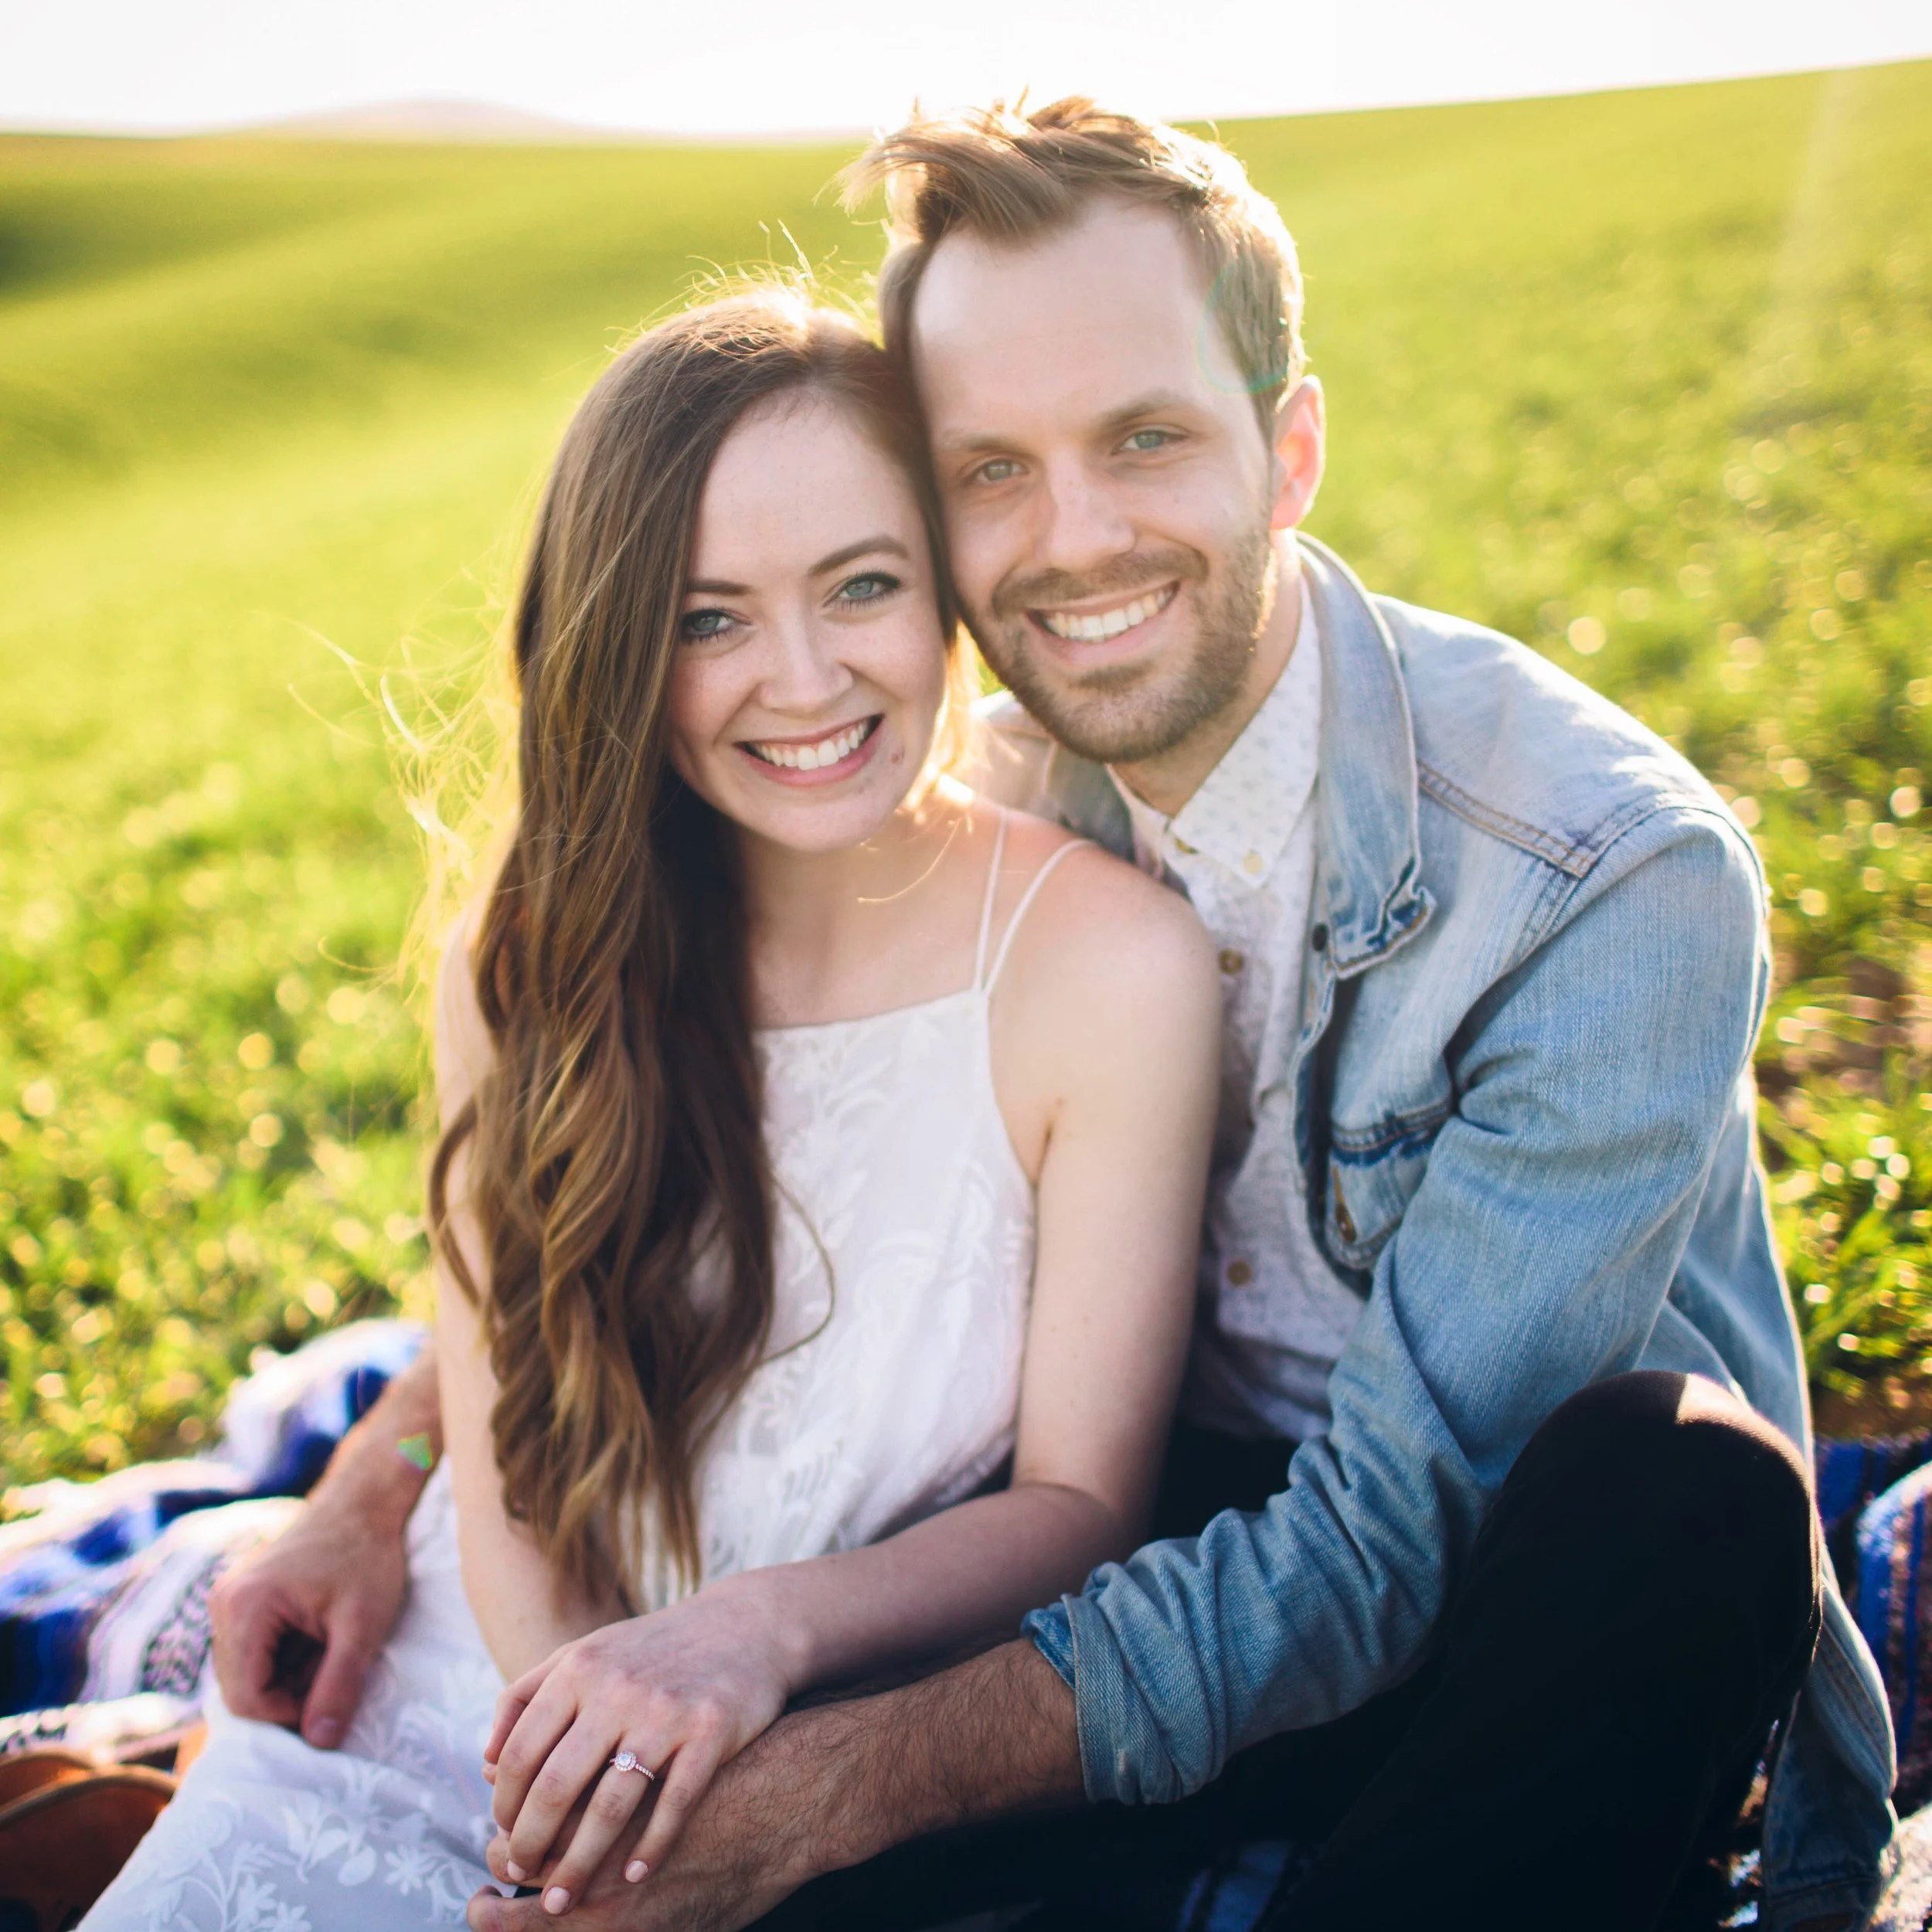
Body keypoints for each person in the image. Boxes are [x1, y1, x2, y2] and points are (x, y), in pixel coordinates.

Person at [216, 102, 1899, 1932]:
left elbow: (1379, 1548)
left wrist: (828, 1790)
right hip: (1141, 1540)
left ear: (1288, 448)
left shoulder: (1603, 882)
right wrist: (374, 1479)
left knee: (1686, 1487)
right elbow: (608, 1208)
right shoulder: (961, 788)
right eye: (990, 468)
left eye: (1145, 439)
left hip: (1461, 1580)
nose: (1071, 541)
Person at [83, 288, 1223, 1929]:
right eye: (710, 619)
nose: (806, 677)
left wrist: (751, 1640)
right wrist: (577, 1763)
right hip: (467, 1694)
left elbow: (1080, 1508)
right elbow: (496, 1433)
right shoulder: (523, 960)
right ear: (616, 644)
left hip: (806, 1739)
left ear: (948, 590)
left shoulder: (1104, 966)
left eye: (864, 585)